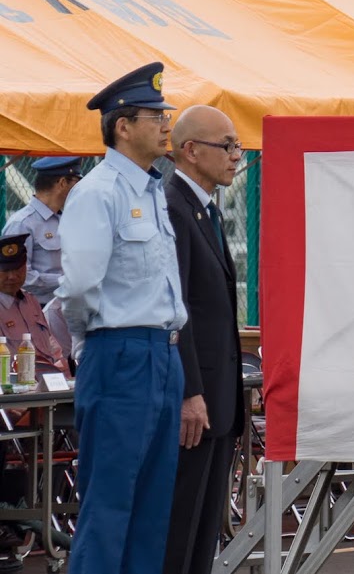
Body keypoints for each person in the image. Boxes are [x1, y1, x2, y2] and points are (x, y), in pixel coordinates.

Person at [57, 62, 188, 574]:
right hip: (120, 352)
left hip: (161, 352)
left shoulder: (152, 190)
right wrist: (94, 344)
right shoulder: (99, 192)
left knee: (152, 509)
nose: (164, 123)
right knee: (109, 505)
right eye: (153, 114)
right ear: (122, 125)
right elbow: (79, 287)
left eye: (164, 113)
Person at [162, 106, 246, 574]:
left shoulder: (203, 210)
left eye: (238, 146)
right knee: (179, 530)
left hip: (217, 400)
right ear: (191, 151)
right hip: (195, 402)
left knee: (202, 532)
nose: (237, 156)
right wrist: (189, 390)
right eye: (227, 145)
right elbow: (178, 313)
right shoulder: (173, 208)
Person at [3, 156, 82, 306]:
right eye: (77, 182)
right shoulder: (22, 223)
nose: (80, 189)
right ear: (62, 182)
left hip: (66, 306)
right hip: (36, 309)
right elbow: (18, 276)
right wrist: (67, 280)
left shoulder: (66, 219)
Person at [0, 234, 68, 373]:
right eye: (5, 271)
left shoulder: (30, 301)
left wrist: (64, 380)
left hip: (47, 387)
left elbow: (54, 350)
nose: (12, 276)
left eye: (18, 269)